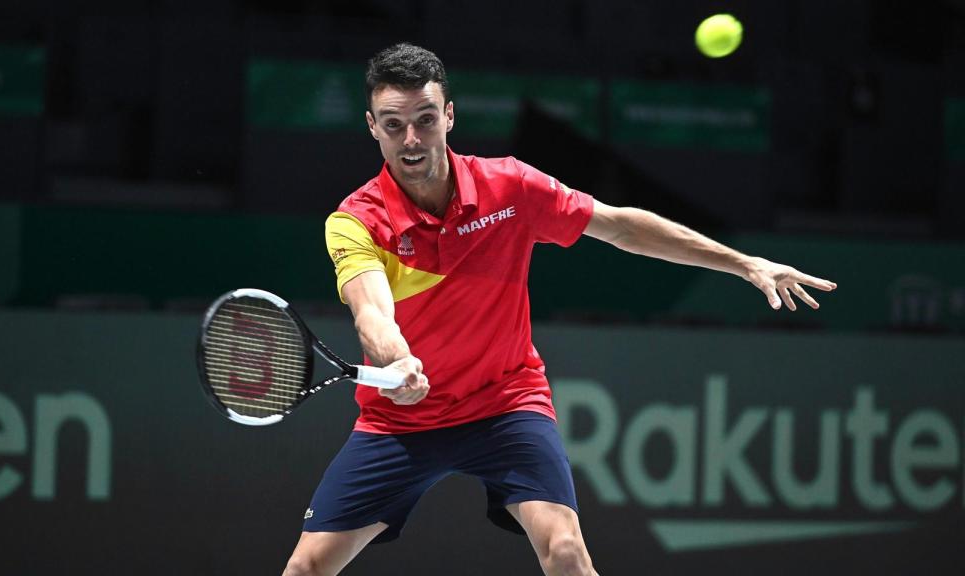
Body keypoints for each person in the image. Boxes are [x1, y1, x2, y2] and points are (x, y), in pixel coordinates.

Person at [282, 43, 836, 576]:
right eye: (394, 123)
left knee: (566, 551)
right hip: (401, 420)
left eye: (425, 119)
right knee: (306, 566)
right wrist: (397, 359)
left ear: (449, 116)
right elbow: (372, 311)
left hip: (504, 405)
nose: (411, 138)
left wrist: (743, 263)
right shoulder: (356, 220)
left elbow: (620, 227)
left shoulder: (510, 187)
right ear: (372, 126)